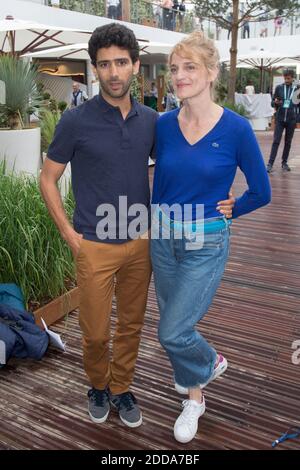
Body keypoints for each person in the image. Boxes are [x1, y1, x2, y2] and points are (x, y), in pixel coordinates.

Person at [151, 32, 271, 444]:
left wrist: (235, 208)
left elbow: (262, 190)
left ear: (211, 72)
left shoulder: (236, 129)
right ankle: (195, 399)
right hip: (163, 238)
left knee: (172, 331)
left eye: (189, 68)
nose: (178, 76)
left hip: (207, 241)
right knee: (174, 322)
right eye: (173, 69)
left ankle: (211, 360)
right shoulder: (163, 125)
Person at [40, 23, 158, 429]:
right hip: (94, 243)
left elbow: (177, 168)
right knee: (93, 333)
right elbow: (47, 178)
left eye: (121, 63)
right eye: (104, 64)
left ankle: (122, 387)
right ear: (94, 69)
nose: (113, 72)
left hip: (140, 243)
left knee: (131, 325)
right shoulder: (76, 120)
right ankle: (97, 384)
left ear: (135, 66)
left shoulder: (151, 121)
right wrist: (70, 236)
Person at [267, 69, 300, 173]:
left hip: (291, 119)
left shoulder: (297, 89)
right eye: (285, 78)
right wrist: (276, 102)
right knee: (276, 141)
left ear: (292, 78)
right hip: (280, 118)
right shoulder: (279, 88)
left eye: (288, 78)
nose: (286, 80)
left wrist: (297, 118)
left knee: (288, 142)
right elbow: (272, 103)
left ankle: (284, 163)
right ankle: (270, 164)